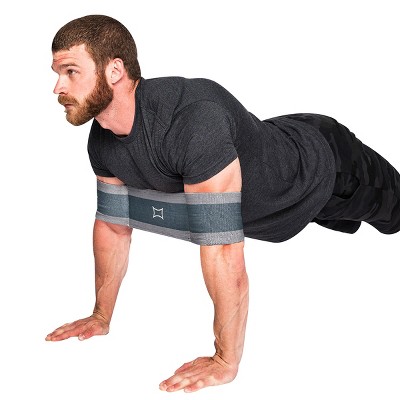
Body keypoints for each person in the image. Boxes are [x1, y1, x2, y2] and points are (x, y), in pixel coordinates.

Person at [46, 14, 400, 393]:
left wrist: (224, 360)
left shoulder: (193, 121)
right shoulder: (102, 141)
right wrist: (101, 315)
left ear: (114, 70)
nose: (57, 88)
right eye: (57, 73)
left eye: (71, 72)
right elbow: (114, 226)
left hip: (327, 166)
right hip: (280, 188)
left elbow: (223, 250)